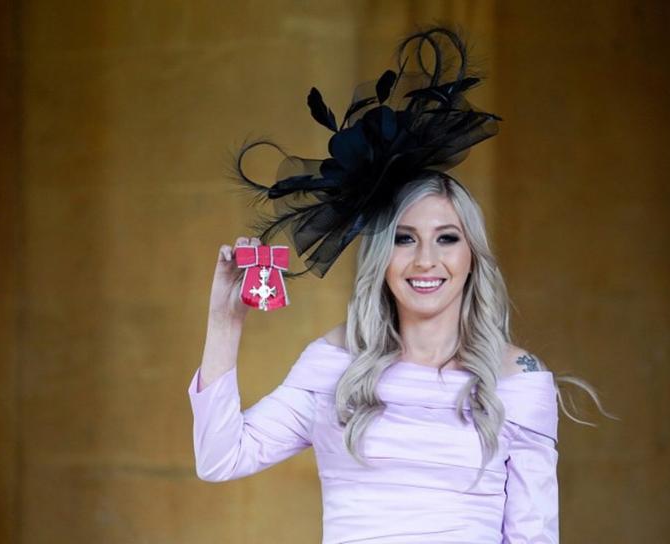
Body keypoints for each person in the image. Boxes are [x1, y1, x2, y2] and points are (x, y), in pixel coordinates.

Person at [188, 26, 608, 543]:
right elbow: (219, 457)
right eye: (405, 239)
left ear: (472, 255)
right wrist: (224, 321)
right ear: (381, 257)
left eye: (447, 238)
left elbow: (533, 536)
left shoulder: (519, 380)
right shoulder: (333, 364)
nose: (426, 260)